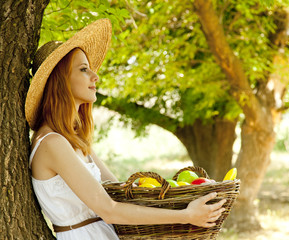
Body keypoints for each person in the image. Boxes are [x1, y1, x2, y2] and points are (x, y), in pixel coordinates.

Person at [25, 19, 226, 240]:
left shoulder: (74, 138)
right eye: (83, 69)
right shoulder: (52, 143)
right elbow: (109, 210)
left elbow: (118, 189)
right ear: (60, 81)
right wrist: (185, 215)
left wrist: (175, 194)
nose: (95, 76)